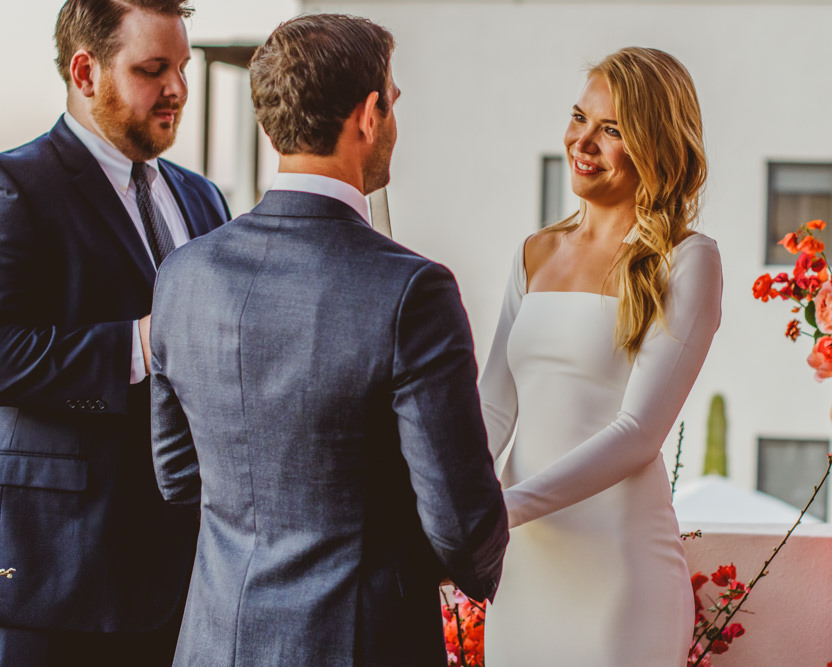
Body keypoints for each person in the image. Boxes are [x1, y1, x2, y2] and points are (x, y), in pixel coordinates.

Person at [149, 13, 508, 666]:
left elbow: (177, 476)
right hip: (360, 640)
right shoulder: (412, 291)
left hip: (213, 639)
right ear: (369, 115)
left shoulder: (182, 274)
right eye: (393, 102)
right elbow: (461, 523)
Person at [0, 0, 229, 664]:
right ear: (85, 70)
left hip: (192, 573)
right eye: (153, 69)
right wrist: (140, 342)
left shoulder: (204, 198)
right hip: (63, 572)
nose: (178, 89)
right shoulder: (17, 186)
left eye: (182, 67)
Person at [478, 47, 723, 666]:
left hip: (620, 574)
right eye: (579, 118)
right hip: (522, 569)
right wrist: (450, 504)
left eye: (611, 130)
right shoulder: (535, 251)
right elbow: (493, 408)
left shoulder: (688, 260)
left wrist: (500, 510)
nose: (582, 141)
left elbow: (638, 432)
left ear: (656, 145)